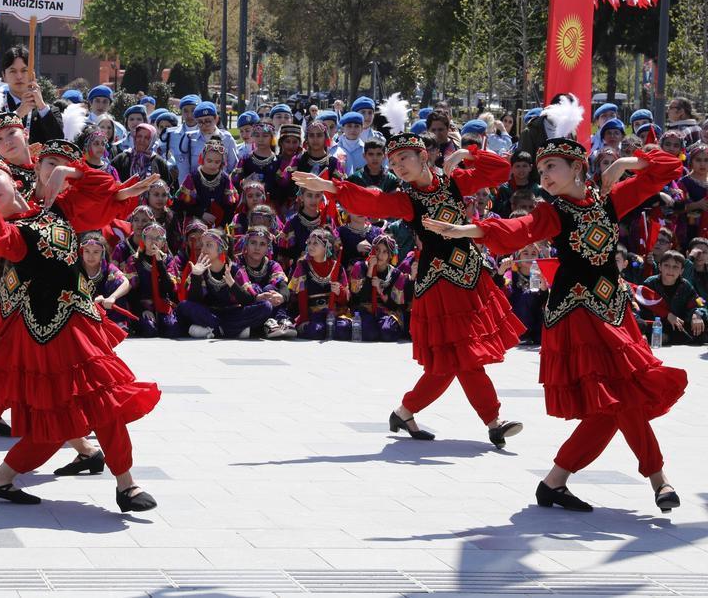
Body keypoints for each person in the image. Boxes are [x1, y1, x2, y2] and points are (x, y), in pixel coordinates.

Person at [426, 97, 685, 513]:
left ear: (578, 167)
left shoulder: (609, 201)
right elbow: (517, 228)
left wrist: (624, 164)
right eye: (541, 169)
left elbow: (668, 167)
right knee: (621, 399)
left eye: (551, 167)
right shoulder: (554, 212)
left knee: (615, 405)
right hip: (577, 315)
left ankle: (555, 482)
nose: (543, 175)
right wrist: (465, 230)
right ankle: (659, 481)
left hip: (614, 312)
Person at [0, 158, 160, 512]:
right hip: (47, 335)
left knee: (98, 407)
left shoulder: (57, 210)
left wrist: (70, 172)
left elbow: (101, 192)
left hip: (80, 327)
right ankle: (117, 483)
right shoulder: (13, 232)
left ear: (13, 181)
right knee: (69, 416)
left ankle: (116, 483)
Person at [293, 94, 524, 448]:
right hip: (440, 284)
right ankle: (492, 421)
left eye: (404, 159)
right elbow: (371, 201)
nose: (398, 167)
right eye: (394, 162)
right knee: (461, 358)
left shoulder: (454, 181)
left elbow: (501, 171)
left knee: (452, 362)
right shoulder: (407, 199)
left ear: (424, 155)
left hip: (470, 277)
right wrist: (330, 187)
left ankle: (406, 412)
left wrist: (467, 153)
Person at [237, 226, 297, 339]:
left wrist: (282, 297)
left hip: (271, 306)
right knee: (255, 287)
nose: (257, 248)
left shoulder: (272, 265)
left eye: (262, 244)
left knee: (270, 288)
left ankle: (279, 320)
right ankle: (267, 324)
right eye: (253, 243)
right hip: (249, 309)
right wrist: (258, 296)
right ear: (246, 244)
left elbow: (283, 286)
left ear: (268, 248)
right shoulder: (238, 263)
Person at [121, 223, 180, 338]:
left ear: (163, 242)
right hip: (141, 306)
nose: (154, 241)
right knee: (149, 329)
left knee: (173, 330)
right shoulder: (134, 260)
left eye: (158, 238)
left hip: (163, 305)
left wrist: (159, 262)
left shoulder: (167, 260)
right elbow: (130, 291)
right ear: (143, 239)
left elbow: (169, 288)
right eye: (149, 237)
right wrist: (142, 310)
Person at [639, 250, 707, 345]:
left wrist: (697, 313)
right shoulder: (650, 283)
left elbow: (700, 302)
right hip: (655, 326)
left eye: (675, 267)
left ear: (682, 270)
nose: (671, 270)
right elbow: (643, 308)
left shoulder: (685, 285)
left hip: (679, 326)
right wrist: (666, 316)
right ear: (660, 267)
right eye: (666, 265)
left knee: (702, 324)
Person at [175, 102, 238, 180]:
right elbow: (183, 169)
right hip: (196, 184)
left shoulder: (227, 139)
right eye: (200, 122)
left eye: (208, 121)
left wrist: (228, 184)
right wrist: (186, 186)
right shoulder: (189, 138)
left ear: (216, 119)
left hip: (221, 183)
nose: (204, 125)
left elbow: (233, 167)